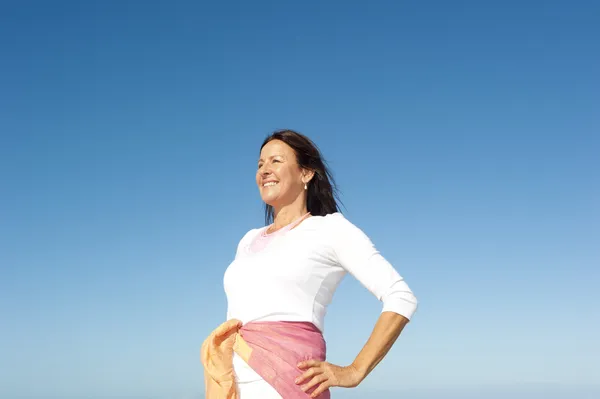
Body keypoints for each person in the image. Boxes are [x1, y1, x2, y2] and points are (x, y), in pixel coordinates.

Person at [201, 130, 418, 398]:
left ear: (306, 173)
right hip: (234, 383)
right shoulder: (247, 240)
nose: (265, 170)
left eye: (276, 161)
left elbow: (401, 297)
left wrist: (354, 371)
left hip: (290, 386)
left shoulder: (331, 229)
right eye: (260, 164)